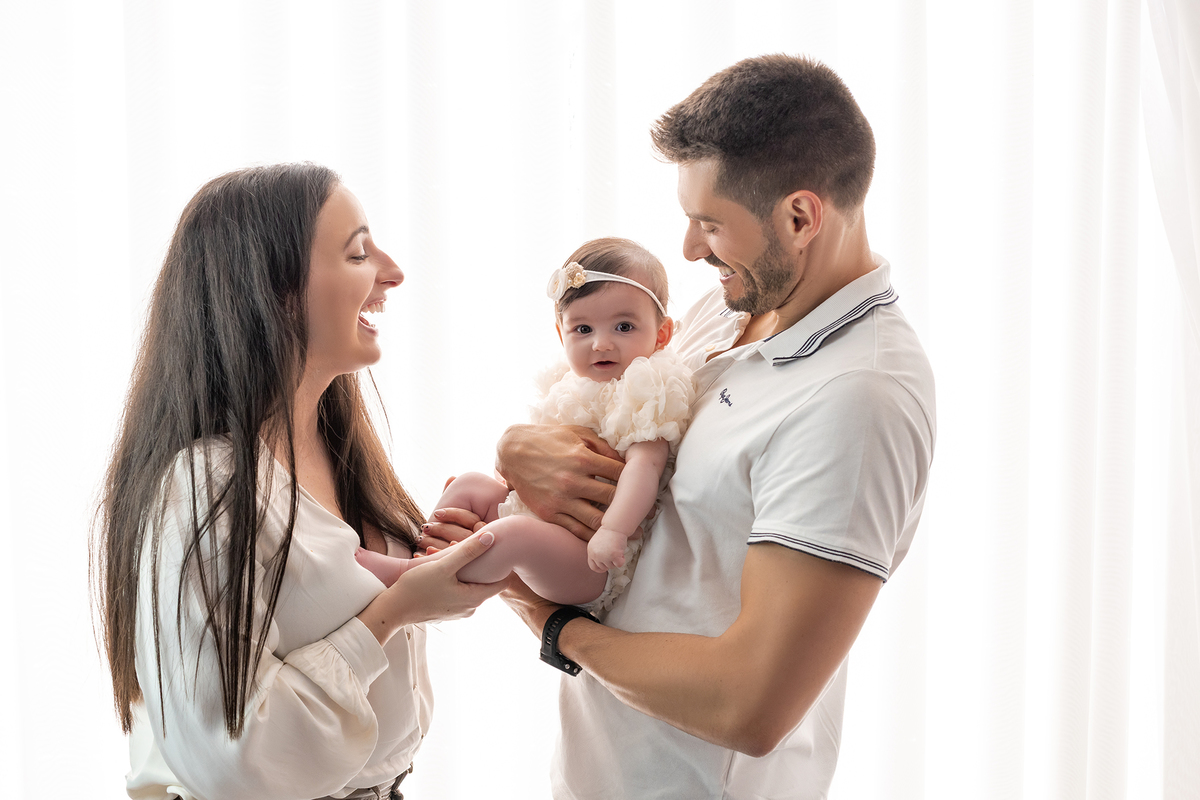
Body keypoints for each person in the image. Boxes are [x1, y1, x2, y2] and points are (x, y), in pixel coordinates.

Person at [456, 55, 937, 799]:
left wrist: (551, 624)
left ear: (800, 217)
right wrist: (520, 451)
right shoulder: (732, 307)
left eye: (709, 224)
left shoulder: (858, 397)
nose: (688, 250)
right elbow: (627, 428)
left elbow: (749, 703)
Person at [93, 163, 504, 800]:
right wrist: (395, 612)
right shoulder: (204, 487)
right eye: (359, 252)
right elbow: (238, 760)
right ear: (274, 288)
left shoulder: (339, 447)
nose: (391, 274)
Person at [355, 237, 695, 614]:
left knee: (513, 534)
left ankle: (410, 574)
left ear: (661, 333)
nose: (601, 344)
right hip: (544, 523)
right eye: (583, 329)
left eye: (624, 327)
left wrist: (613, 531)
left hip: (592, 562)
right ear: (559, 333)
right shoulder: (572, 384)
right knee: (470, 484)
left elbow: (644, 467)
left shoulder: (647, 388)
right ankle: (425, 552)